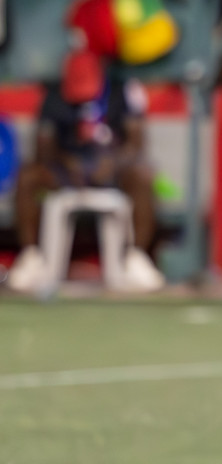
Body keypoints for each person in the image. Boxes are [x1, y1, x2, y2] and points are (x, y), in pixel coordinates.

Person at [7, 40, 165, 293]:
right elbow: (42, 148)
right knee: (27, 177)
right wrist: (65, 162)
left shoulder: (121, 93)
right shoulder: (55, 97)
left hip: (112, 169)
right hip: (65, 171)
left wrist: (113, 161)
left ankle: (134, 258)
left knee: (142, 175)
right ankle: (32, 257)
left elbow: (136, 145)